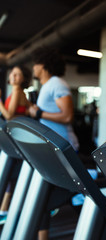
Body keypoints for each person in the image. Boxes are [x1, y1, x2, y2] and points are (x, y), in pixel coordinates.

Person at [28, 46, 79, 240]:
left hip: (64, 149)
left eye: (35, 64)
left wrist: (39, 113)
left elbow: (67, 116)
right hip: (52, 149)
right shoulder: (48, 85)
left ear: (43, 65)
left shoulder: (57, 83)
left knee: (46, 199)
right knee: (47, 198)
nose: (33, 68)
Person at [0, 65, 32, 224]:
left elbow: (9, 116)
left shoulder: (18, 92)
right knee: (11, 171)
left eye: (18, 74)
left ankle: (5, 209)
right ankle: (4, 208)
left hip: (16, 138)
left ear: (23, 78)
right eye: (13, 73)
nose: (13, 76)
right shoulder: (17, 92)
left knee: (11, 171)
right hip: (15, 137)